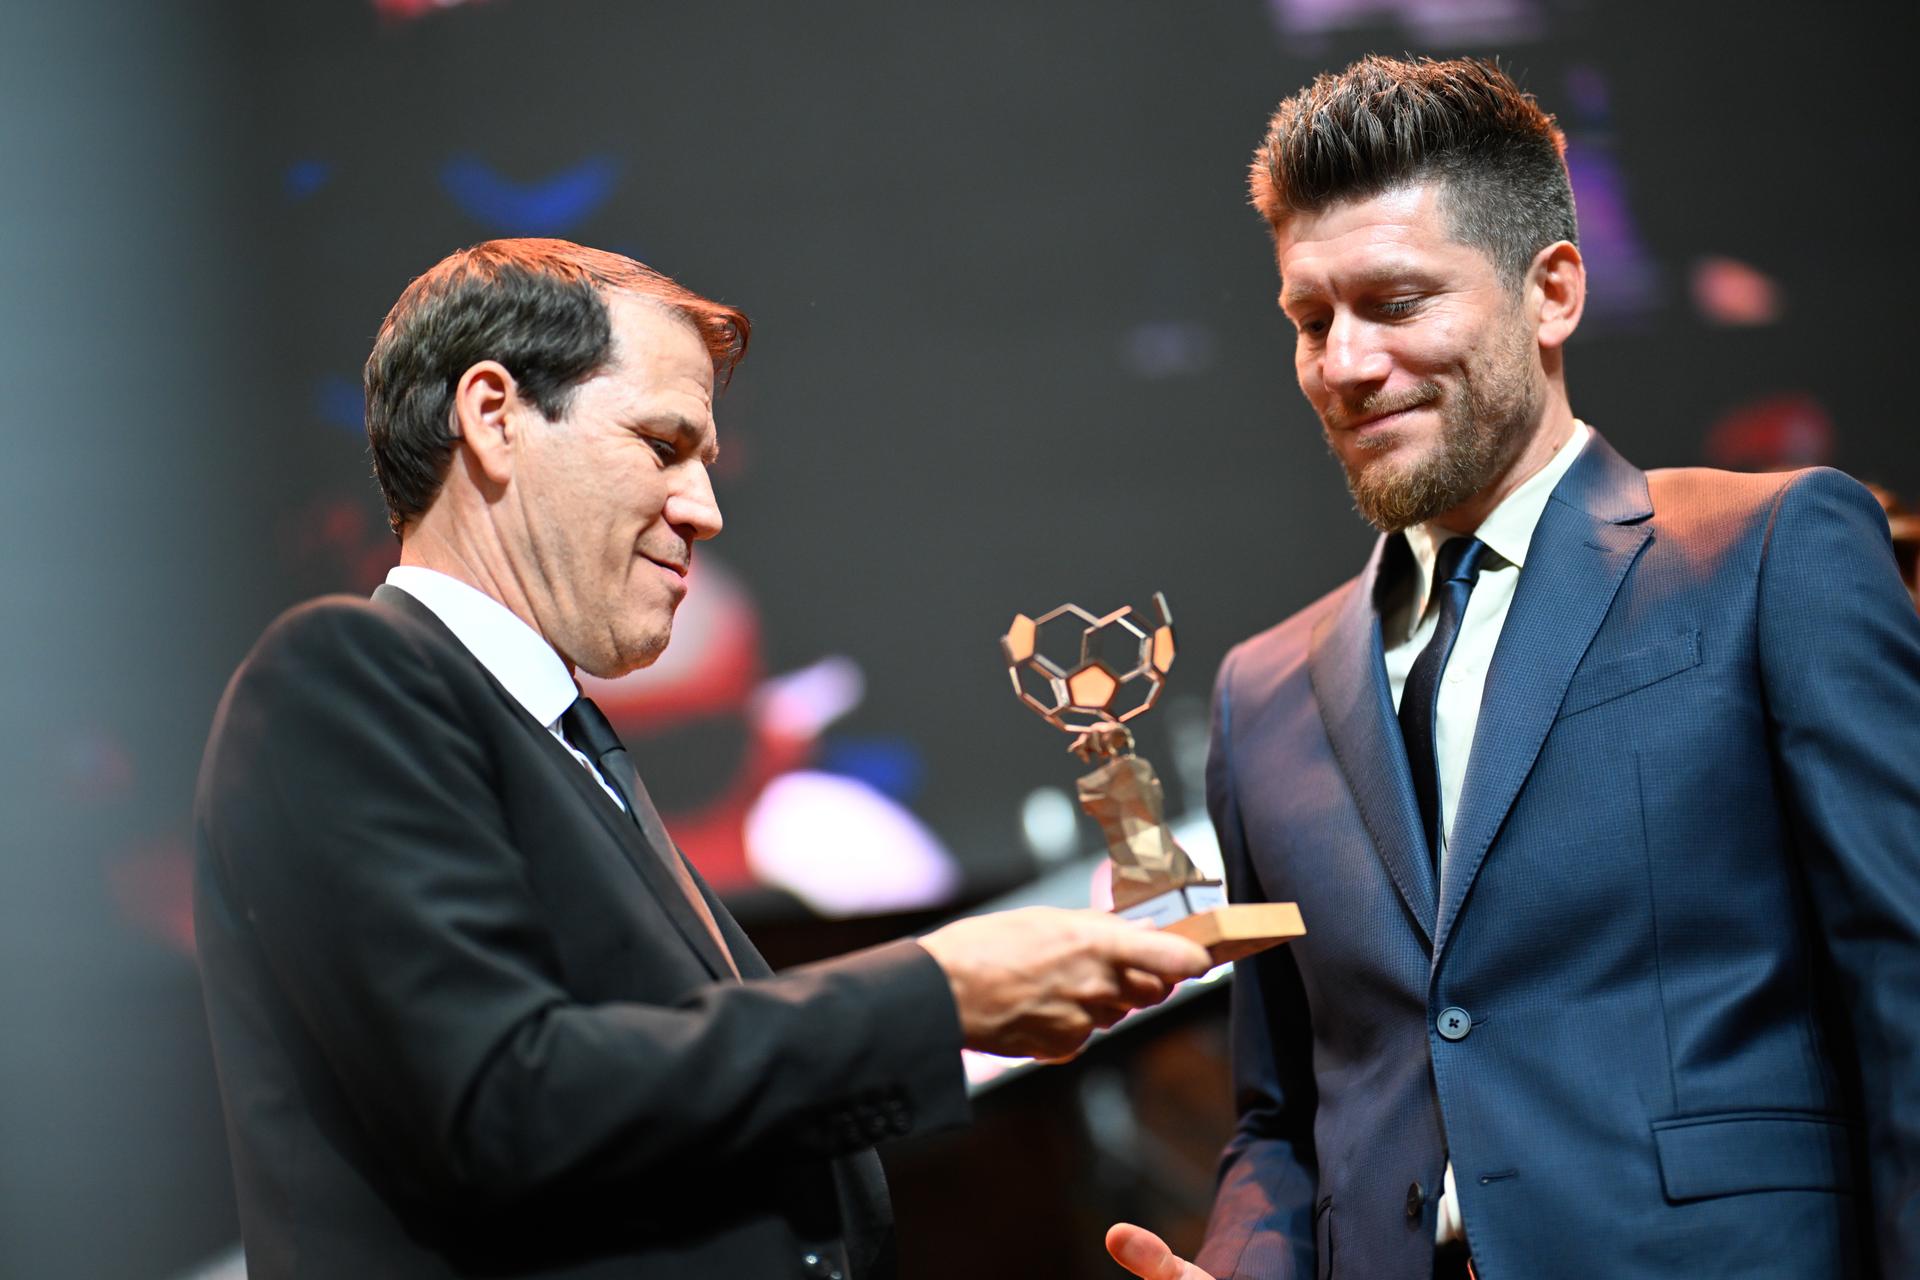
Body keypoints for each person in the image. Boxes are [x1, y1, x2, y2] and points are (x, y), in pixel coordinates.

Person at [194, 238, 1212, 1280]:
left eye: (706, 460)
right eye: (662, 443)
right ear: (493, 416)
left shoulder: (565, 741)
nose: (705, 508)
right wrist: (935, 995)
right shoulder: (342, 677)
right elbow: (505, 1100)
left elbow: (679, 1112)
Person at [1106, 55, 1920, 1280]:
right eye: (1309, 319)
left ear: (1552, 292)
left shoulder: (1770, 550)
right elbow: (1283, 1110)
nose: (1343, 363)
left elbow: (1903, 980)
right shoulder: (1263, 687)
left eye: (1396, 302)